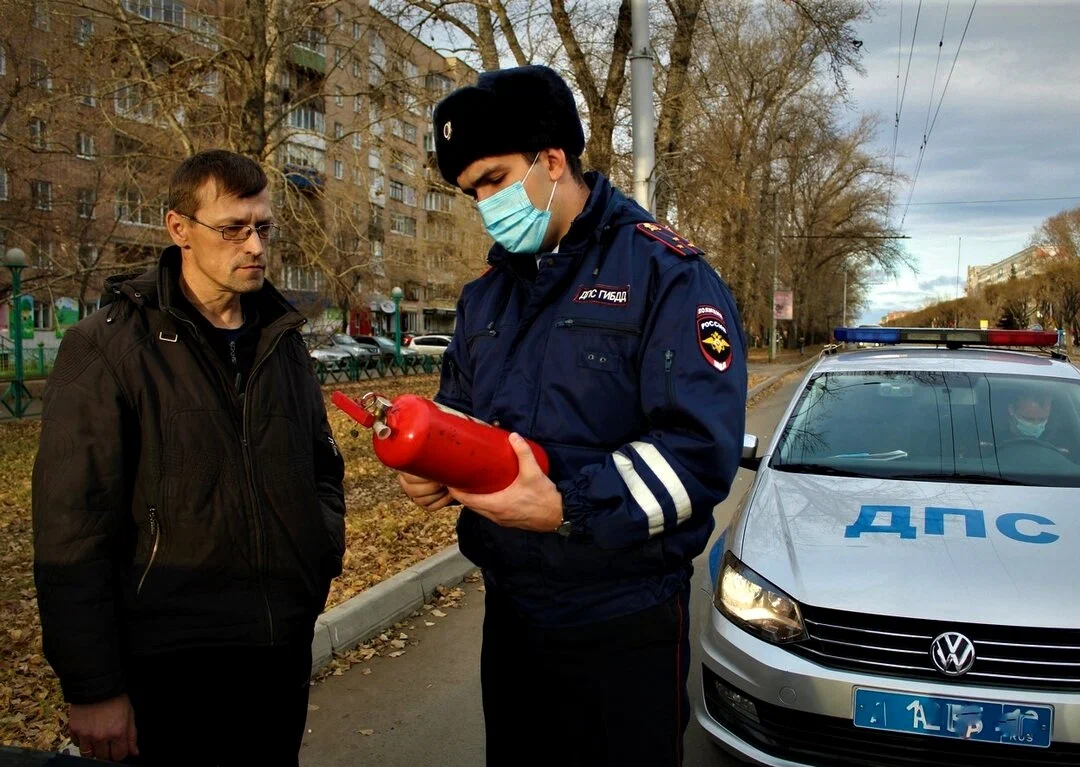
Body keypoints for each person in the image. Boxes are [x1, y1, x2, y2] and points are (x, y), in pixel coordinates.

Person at [399, 65, 747, 767]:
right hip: (513, 614)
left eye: (494, 180)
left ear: (552, 159)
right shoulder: (485, 298)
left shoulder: (666, 274)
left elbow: (698, 454)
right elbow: (461, 414)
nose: (484, 205)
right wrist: (429, 459)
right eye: (471, 193)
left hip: (626, 620)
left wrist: (568, 506)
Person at [32, 150, 345, 765]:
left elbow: (321, 469)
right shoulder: (107, 347)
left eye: (263, 227)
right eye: (233, 229)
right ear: (180, 230)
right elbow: (71, 532)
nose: (254, 245)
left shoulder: (281, 340)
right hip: (167, 665)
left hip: (277, 648)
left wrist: (318, 550)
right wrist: (93, 687)